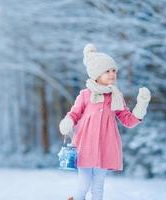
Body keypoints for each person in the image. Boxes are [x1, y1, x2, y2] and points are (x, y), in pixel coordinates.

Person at [59, 43, 151, 200]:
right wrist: (68, 121)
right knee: (84, 183)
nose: (112, 74)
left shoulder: (115, 96)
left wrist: (141, 105)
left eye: (114, 70)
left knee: (98, 186)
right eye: (107, 71)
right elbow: (74, 113)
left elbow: (128, 120)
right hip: (85, 145)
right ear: (96, 74)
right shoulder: (86, 95)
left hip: (105, 146)